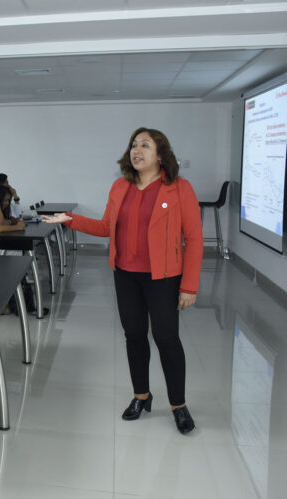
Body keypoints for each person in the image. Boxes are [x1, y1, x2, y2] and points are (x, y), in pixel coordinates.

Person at [42, 127, 202, 434]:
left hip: (164, 278)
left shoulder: (179, 188)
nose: (136, 149)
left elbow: (194, 239)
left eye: (145, 144)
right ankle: (141, 395)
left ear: (160, 154)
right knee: (135, 335)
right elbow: (106, 227)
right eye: (133, 145)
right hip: (126, 275)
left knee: (167, 338)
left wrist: (189, 286)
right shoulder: (120, 187)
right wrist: (69, 219)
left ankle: (178, 405)